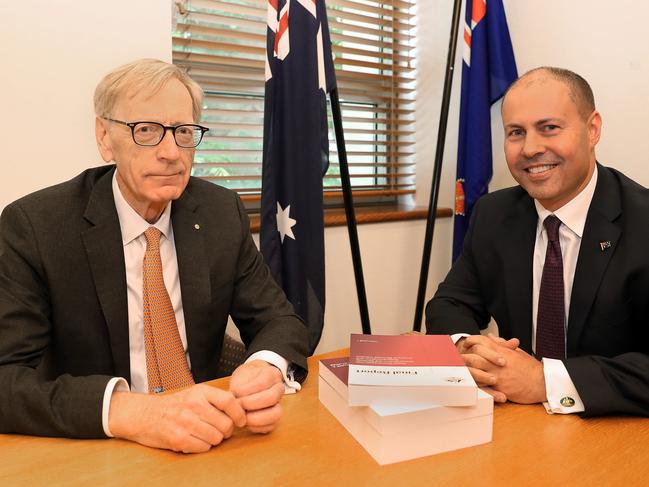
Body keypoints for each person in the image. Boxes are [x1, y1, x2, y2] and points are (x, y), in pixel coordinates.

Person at [0, 59, 310, 452]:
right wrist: (132, 412)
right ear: (104, 137)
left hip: (211, 435)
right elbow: (6, 379)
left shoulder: (219, 212)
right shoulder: (37, 226)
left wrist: (265, 367)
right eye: (146, 130)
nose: (171, 152)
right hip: (101, 451)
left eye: (183, 132)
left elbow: (279, 319)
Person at [426, 67, 649, 417]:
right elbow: (450, 303)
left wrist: (544, 380)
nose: (530, 148)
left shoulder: (643, 221)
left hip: (616, 436)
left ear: (592, 129)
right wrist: (466, 347)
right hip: (519, 426)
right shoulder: (493, 214)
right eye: (516, 133)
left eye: (549, 128)